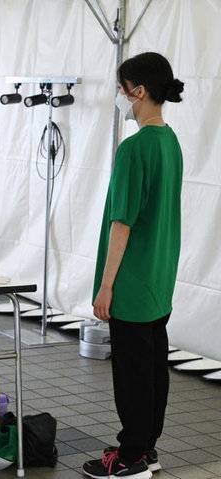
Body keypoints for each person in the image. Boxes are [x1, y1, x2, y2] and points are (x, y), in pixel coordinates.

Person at [83, 52, 184, 479]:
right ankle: (146, 447)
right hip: (159, 279)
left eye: (122, 89)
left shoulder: (134, 148)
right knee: (153, 370)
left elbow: (121, 223)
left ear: (138, 91)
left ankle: (131, 458)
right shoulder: (169, 141)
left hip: (133, 283)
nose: (120, 96)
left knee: (132, 376)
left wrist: (106, 286)